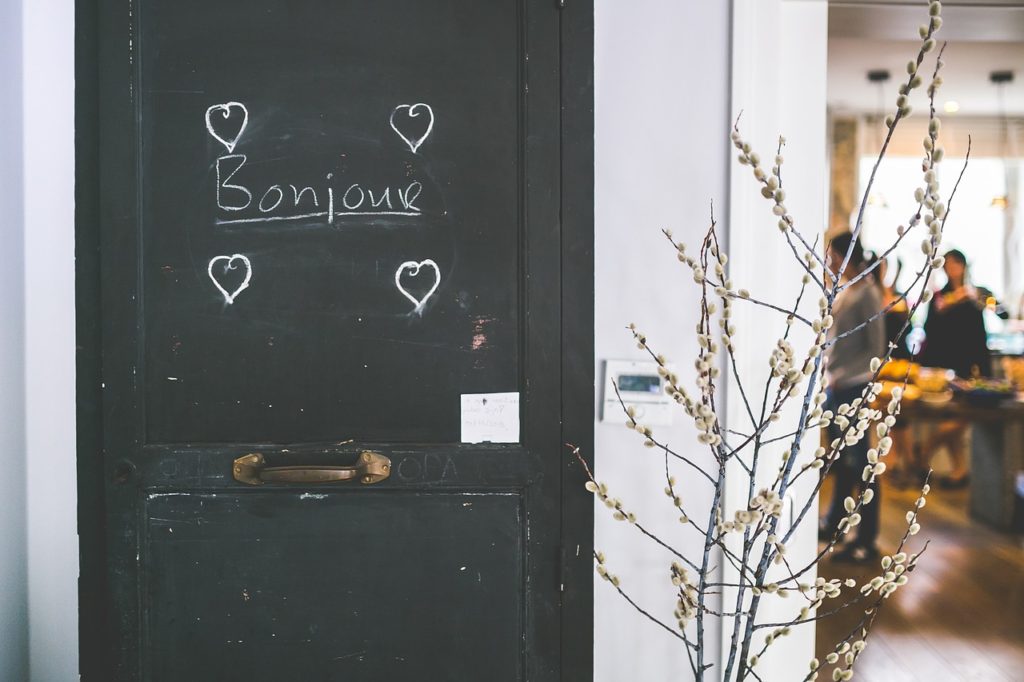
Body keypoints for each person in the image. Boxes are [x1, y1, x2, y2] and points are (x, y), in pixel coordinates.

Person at [820, 232, 888, 563]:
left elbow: (876, 349)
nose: (829, 259)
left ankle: (867, 539)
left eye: (832, 254)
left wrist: (844, 377)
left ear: (846, 255)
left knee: (863, 465)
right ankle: (835, 521)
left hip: (855, 387)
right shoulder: (848, 288)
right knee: (842, 461)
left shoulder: (868, 293)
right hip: (837, 385)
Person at [915, 249, 992, 488]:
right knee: (953, 416)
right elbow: (929, 328)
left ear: (963, 265)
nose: (951, 268)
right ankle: (959, 470)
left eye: (955, 263)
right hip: (943, 366)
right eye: (947, 264)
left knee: (961, 417)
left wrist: (984, 369)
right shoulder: (940, 297)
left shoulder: (974, 295)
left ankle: (925, 451)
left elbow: (982, 332)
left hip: (965, 364)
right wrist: (943, 309)